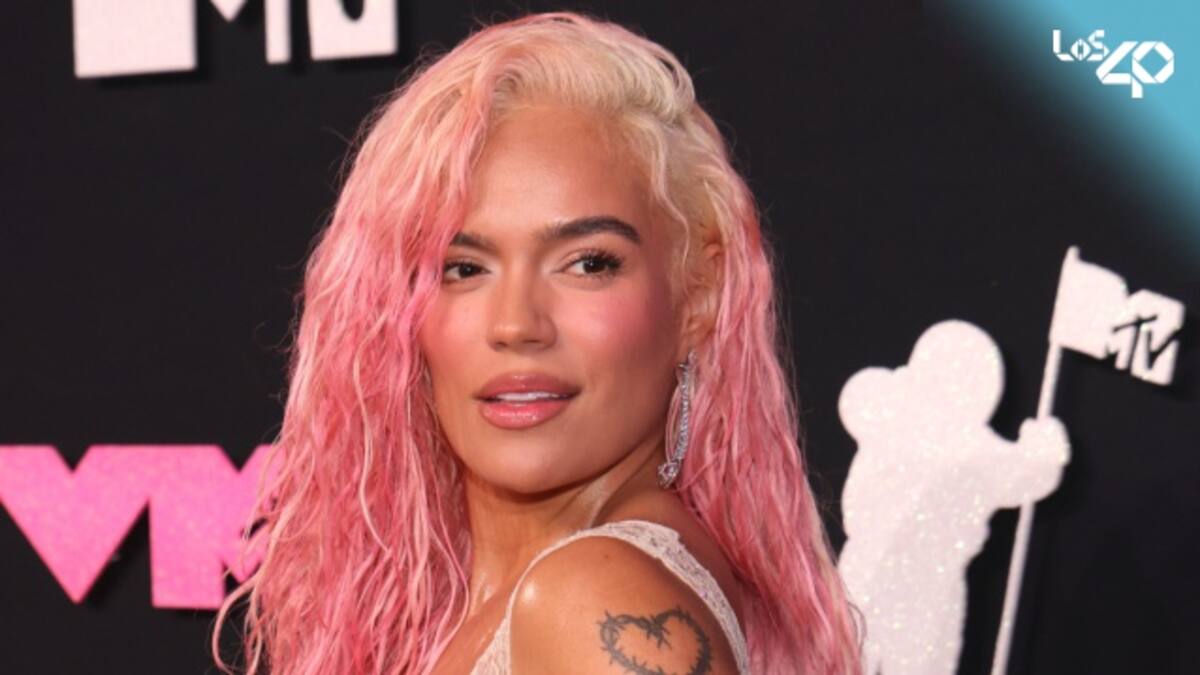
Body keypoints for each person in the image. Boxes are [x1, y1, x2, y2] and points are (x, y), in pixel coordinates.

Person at [213, 11, 862, 675]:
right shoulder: (540, 594)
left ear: (698, 295)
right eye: (463, 268)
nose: (517, 323)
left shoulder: (594, 596)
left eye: (588, 263)